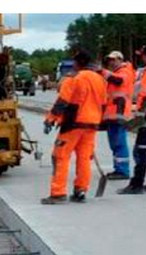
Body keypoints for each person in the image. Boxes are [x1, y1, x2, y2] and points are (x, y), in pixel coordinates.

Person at [41, 50, 107, 204]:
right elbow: (103, 103)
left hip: (73, 124)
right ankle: (80, 191)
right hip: (92, 124)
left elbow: (62, 102)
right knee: (84, 158)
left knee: (60, 156)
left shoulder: (73, 79)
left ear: (77, 63)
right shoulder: (100, 80)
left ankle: (58, 193)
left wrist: (50, 119)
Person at [118, 44, 146, 194]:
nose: (142, 57)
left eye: (143, 55)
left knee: (141, 151)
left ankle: (137, 184)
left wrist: (139, 117)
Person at [100, 50, 136, 180]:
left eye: (114, 59)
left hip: (119, 113)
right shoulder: (116, 72)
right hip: (113, 114)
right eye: (109, 60)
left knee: (119, 142)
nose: (111, 62)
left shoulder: (125, 71)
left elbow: (118, 81)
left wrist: (102, 72)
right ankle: (118, 168)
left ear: (120, 60)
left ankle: (122, 170)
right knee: (115, 143)